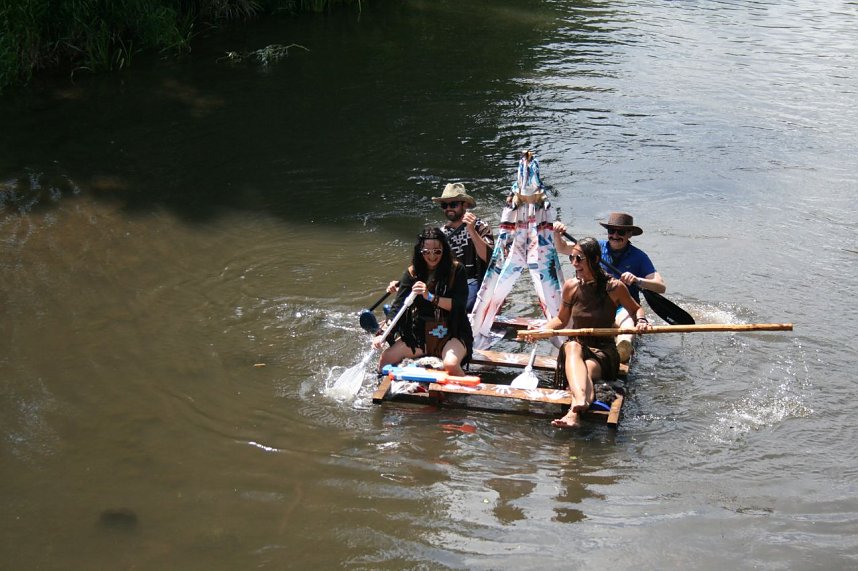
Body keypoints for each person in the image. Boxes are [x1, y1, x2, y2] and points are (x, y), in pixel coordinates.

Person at [540, 237, 651, 428]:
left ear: (595, 259)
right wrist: (542, 330)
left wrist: (641, 321)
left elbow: (636, 310)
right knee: (571, 346)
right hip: (577, 347)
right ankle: (579, 405)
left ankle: (574, 411)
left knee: (585, 372)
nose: (575, 263)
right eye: (572, 258)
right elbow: (561, 320)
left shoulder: (614, 287)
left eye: (579, 259)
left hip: (604, 352)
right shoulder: (571, 286)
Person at [553, 212, 665, 359]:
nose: (615, 236)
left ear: (630, 234)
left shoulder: (639, 257)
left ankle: (624, 346)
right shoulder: (595, 248)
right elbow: (562, 248)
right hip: (595, 304)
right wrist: (557, 233)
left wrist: (637, 280)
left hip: (622, 306)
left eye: (621, 232)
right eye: (611, 231)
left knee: (626, 321)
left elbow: (660, 287)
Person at [374, 227, 473, 376]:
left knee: (451, 365)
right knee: (386, 358)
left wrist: (430, 297)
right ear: (420, 251)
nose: (432, 256)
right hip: (421, 335)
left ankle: (463, 389)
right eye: (426, 252)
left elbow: (459, 305)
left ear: (444, 250)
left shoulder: (457, 270)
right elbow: (398, 307)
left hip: (452, 332)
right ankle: (382, 384)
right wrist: (382, 334)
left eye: (437, 251)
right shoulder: (412, 273)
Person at [387, 183, 494, 312]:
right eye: (444, 205)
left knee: (453, 301)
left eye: (453, 204)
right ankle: (397, 315)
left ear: (465, 205)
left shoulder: (479, 226)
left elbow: (490, 258)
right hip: (447, 282)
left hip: (474, 282)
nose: (448, 209)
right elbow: (425, 261)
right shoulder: (441, 233)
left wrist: (471, 231)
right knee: (411, 296)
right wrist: (405, 283)